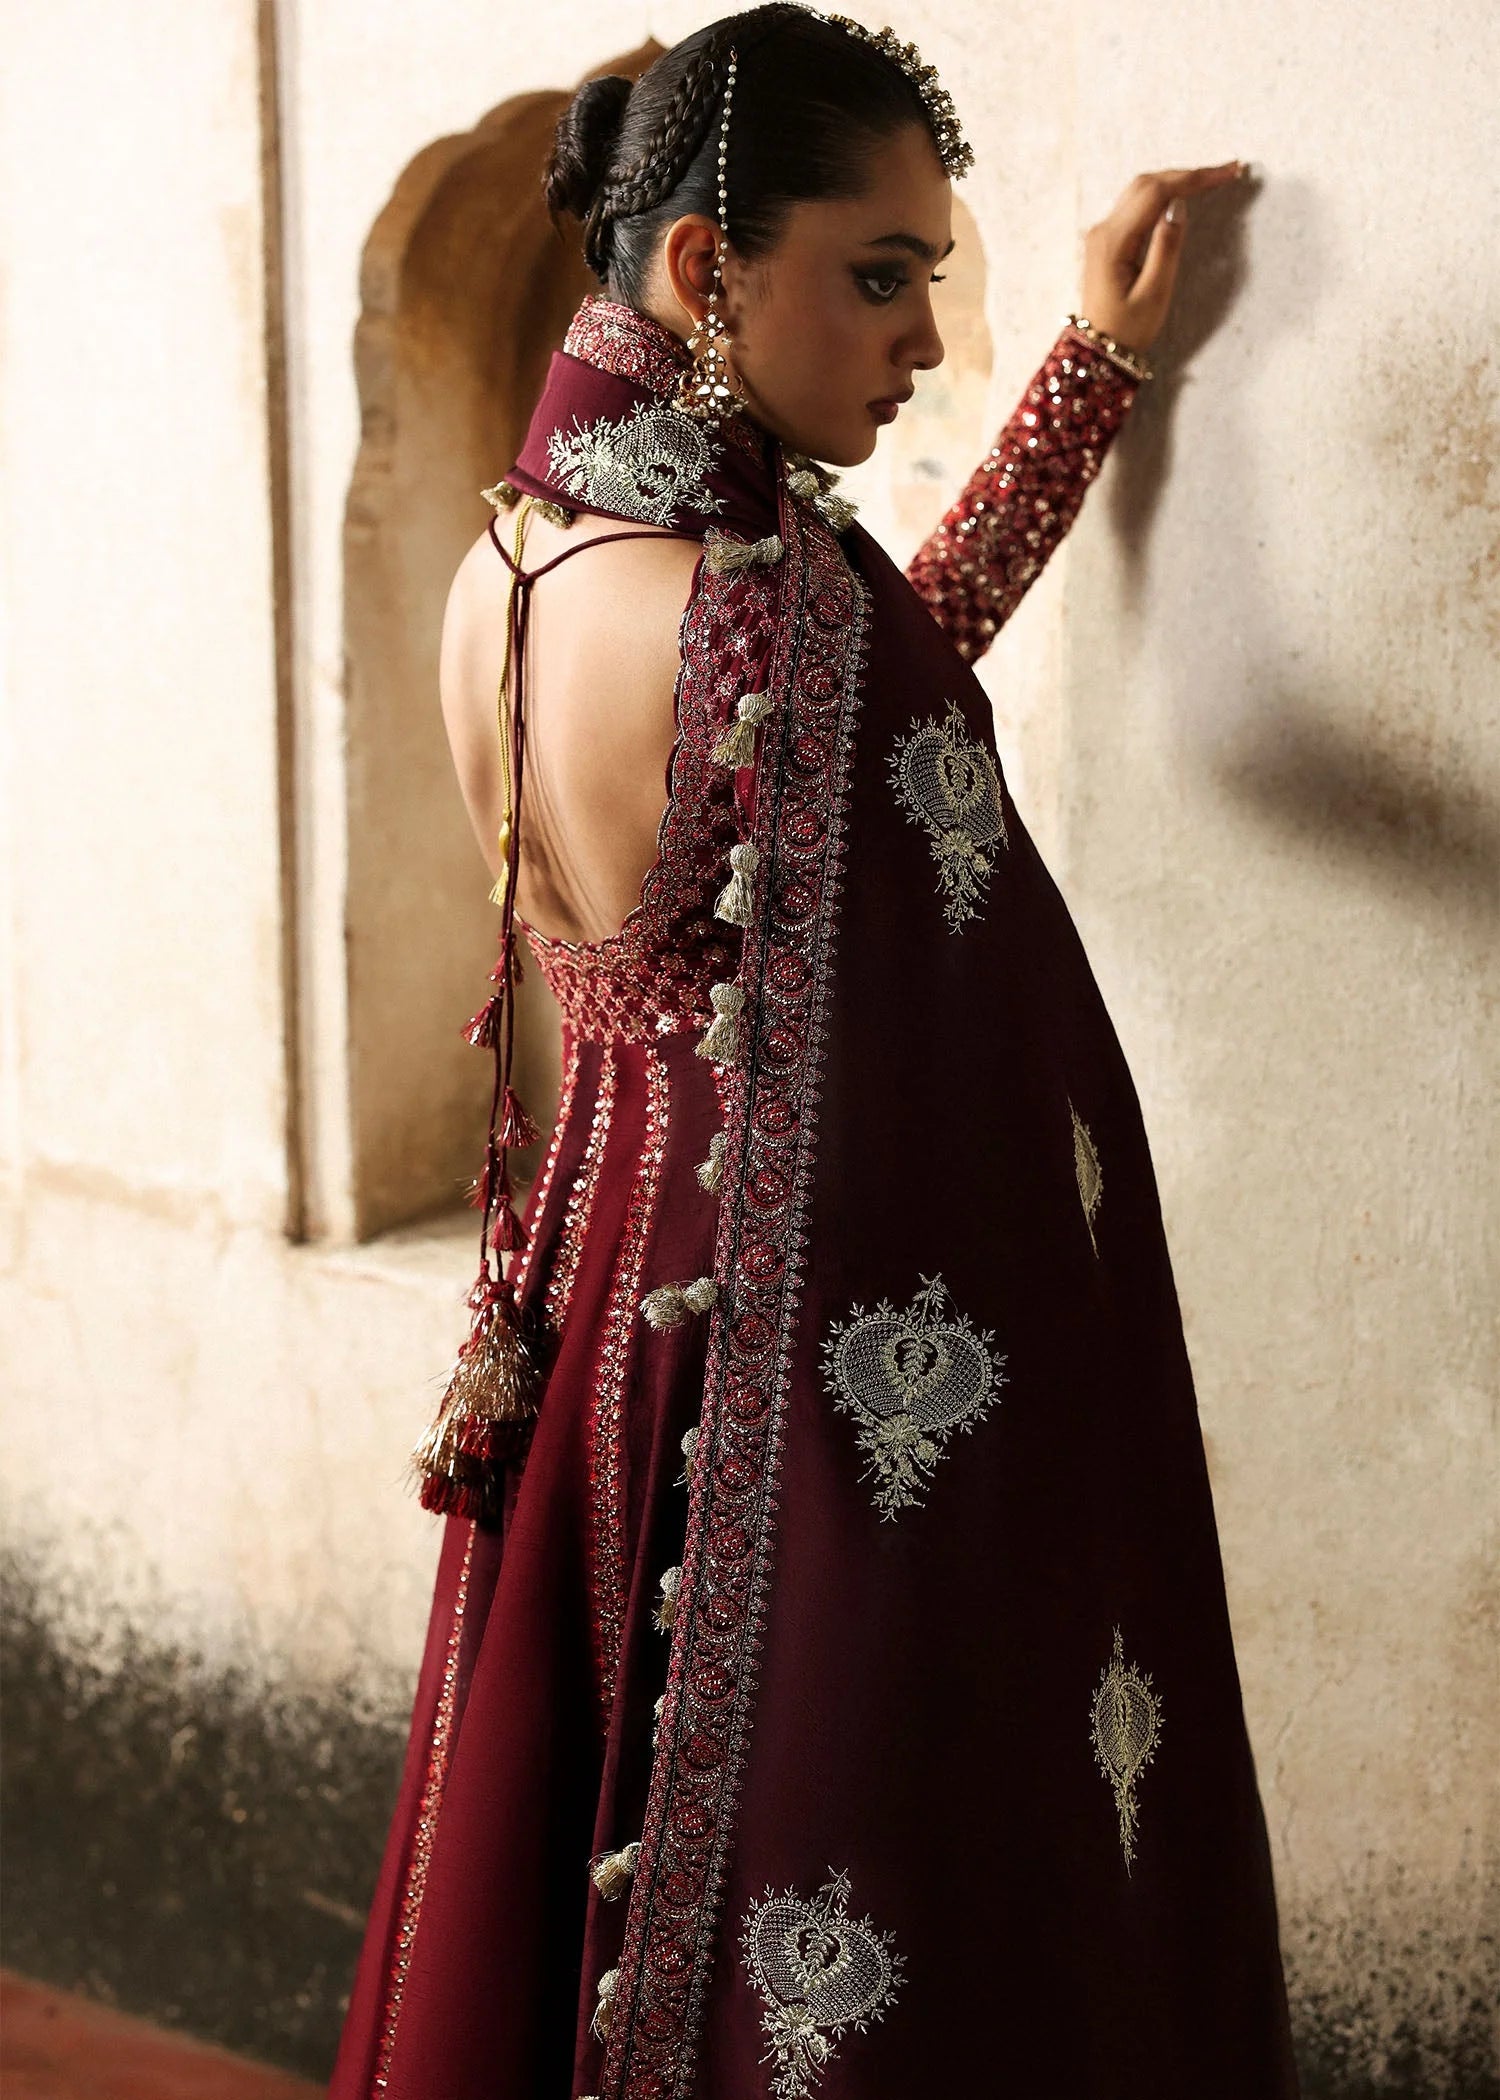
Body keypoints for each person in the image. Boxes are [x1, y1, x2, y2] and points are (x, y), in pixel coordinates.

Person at [328, 8, 1301, 2096]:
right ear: (705, 267)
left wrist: (1087, 375)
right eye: (880, 275)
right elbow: (866, 735)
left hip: (594, 1308)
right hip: (788, 1356)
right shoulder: (771, 617)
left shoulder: (509, 563)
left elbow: (854, 702)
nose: (924, 341)